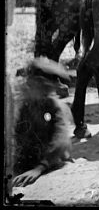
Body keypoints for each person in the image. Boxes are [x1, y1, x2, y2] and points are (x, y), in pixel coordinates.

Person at [12, 58, 73, 188]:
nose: (27, 86)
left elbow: (60, 142)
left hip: (51, 161)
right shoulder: (27, 105)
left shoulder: (55, 107)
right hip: (29, 161)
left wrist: (39, 168)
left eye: (32, 84)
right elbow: (18, 135)